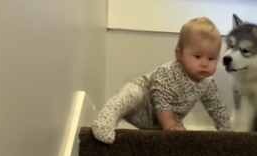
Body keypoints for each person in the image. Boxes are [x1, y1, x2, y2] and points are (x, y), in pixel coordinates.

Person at [91, 17, 231, 144]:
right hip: (144, 103)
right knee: (131, 93)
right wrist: (169, 124)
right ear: (179, 54)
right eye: (198, 56)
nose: (204, 63)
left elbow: (217, 108)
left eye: (211, 58)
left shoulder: (208, 83)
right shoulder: (170, 72)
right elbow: (160, 97)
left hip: (163, 120)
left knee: (182, 137)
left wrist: (229, 134)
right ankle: (105, 122)